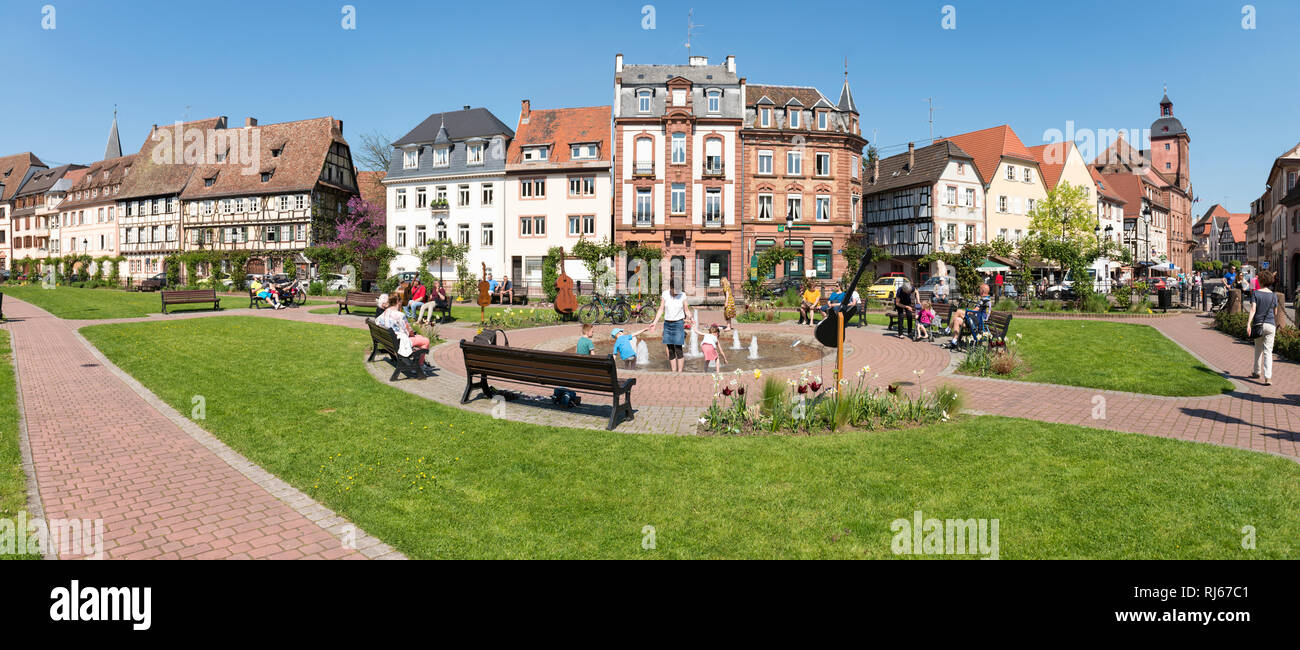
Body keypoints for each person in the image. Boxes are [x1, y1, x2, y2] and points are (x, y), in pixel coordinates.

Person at [647, 273, 696, 373]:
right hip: (668, 324)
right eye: (675, 290)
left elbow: (686, 310)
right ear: (671, 287)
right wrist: (654, 322)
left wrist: (691, 317)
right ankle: (673, 371)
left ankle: (680, 372)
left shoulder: (683, 295)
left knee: (678, 349)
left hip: (678, 324)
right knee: (670, 349)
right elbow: (661, 309)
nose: (676, 292)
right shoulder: (665, 294)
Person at [376, 293, 431, 372]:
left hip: (392, 341)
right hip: (400, 341)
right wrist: (411, 332)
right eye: (401, 300)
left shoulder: (385, 312)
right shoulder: (400, 315)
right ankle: (420, 365)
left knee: (421, 338)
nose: (402, 302)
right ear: (398, 301)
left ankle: (419, 363)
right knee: (426, 341)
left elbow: (377, 321)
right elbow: (409, 332)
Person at [1247, 270, 1283, 386]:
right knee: (1268, 351)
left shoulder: (1256, 294)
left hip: (1258, 325)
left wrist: (1248, 323)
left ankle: (1257, 372)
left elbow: (1253, 309)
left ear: (1261, 281)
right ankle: (1268, 377)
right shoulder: (1273, 295)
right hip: (1271, 325)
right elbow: (1275, 311)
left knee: (1258, 349)